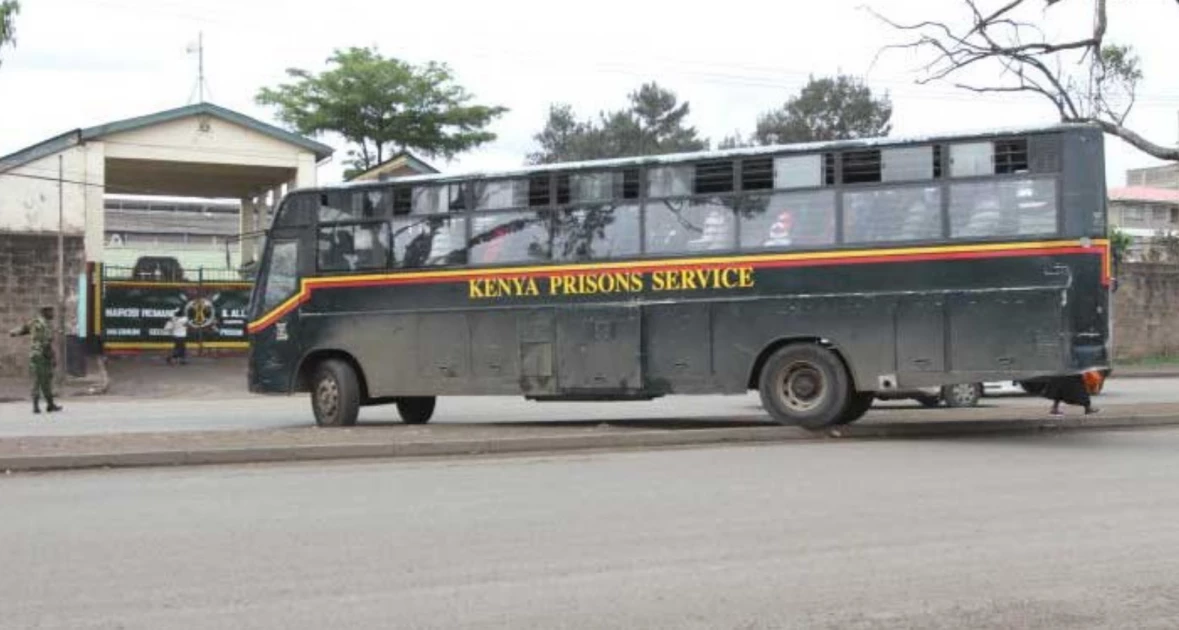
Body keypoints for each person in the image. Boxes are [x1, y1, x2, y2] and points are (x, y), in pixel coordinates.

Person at [8, 305, 62, 414]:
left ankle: (48, 404)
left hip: (35, 354)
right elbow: (46, 343)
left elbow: (21, 330)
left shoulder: (34, 322)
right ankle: (39, 406)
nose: (53, 314)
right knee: (41, 380)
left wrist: (13, 333)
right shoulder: (44, 325)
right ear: (44, 312)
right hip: (42, 355)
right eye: (50, 312)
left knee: (42, 379)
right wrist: (53, 357)